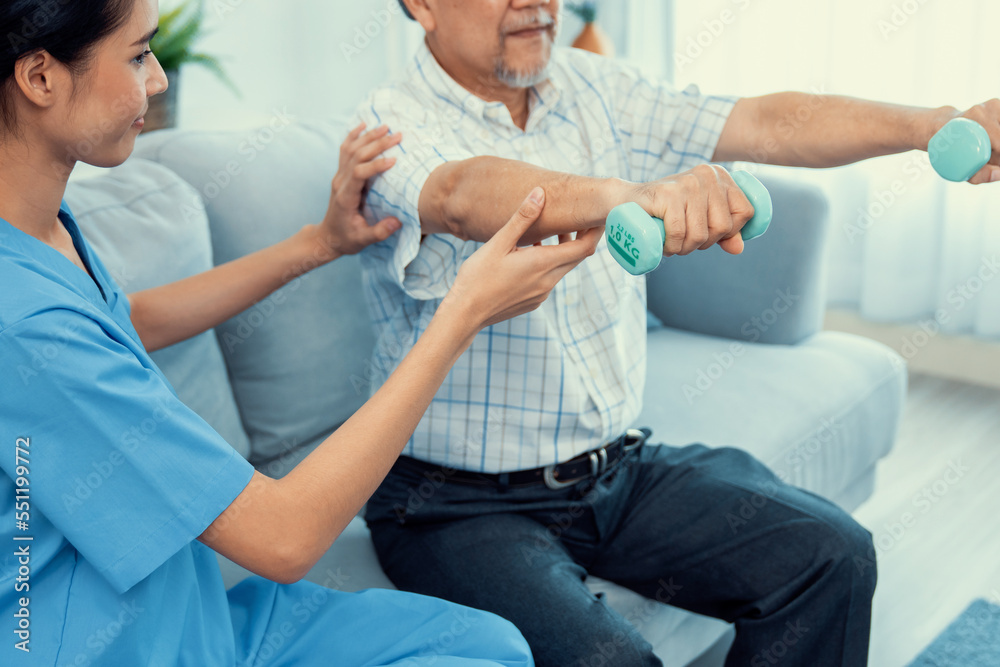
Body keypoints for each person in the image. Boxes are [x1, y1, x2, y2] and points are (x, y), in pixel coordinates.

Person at [354, 1, 1000, 666]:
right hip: (450, 504)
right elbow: (461, 194)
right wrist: (630, 197)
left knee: (830, 553)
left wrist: (933, 125)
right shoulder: (390, 119)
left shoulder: (594, 85)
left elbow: (764, 121)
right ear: (422, 5)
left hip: (613, 470)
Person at [0, 1, 603, 665]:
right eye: (139, 55)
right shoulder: (24, 324)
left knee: (493, 643)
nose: (160, 81)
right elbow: (284, 538)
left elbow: (127, 321)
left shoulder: (42, 231)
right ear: (40, 78)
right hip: (122, 648)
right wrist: (461, 313)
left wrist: (319, 243)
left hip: (199, 617)